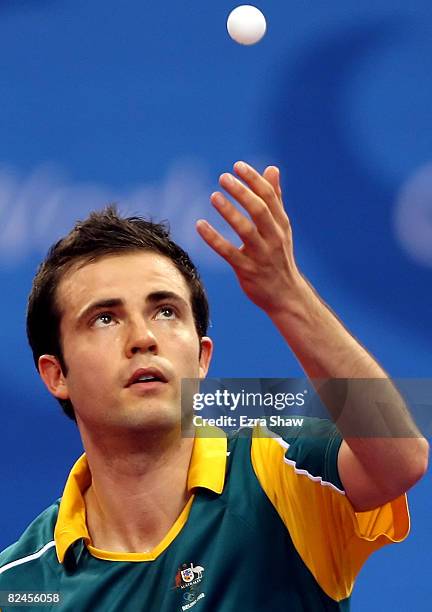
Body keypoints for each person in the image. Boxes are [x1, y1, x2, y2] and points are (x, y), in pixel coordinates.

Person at [0, 161, 428, 611]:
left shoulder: (277, 466)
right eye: (105, 318)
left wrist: (287, 296)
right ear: (56, 374)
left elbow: (402, 457)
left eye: (165, 311)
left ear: (203, 356)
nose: (144, 338)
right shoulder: (21, 587)